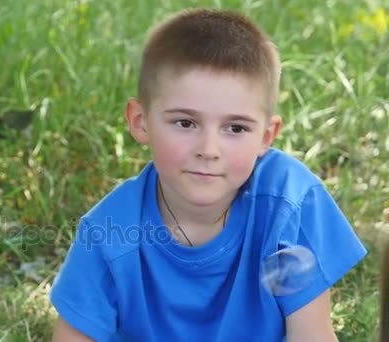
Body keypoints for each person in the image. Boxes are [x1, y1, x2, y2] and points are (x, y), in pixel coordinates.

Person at [49, 8, 367, 341]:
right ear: (140, 121)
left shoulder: (288, 204)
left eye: (235, 127)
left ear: (266, 136)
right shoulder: (109, 234)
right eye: (185, 123)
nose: (209, 149)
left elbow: (311, 335)